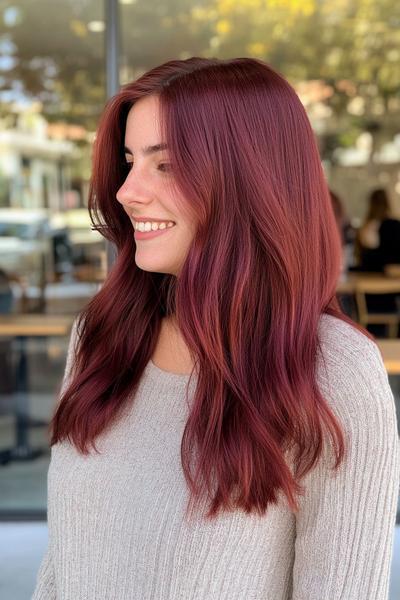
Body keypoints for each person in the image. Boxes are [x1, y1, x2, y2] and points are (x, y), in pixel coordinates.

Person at [32, 57, 400, 600]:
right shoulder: (103, 337)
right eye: (130, 161)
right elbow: (60, 567)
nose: (126, 191)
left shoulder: (332, 369)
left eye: (165, 164)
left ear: (249, 179)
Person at [354, 187, 400, 272]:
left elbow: (366, 250)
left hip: (374, 272)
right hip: (393, 272)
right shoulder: (395, 224)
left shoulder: (370, 226)